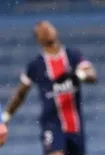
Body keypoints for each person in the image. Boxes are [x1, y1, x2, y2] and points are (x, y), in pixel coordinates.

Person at [2, 20, 97, 155]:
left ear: (56, 30)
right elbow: (20, 94)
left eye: (47, 27)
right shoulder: (36, 65)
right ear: (38, 39)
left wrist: (78, 74)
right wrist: (5, 117)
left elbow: (92, 75)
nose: (45, 31)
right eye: (41, 31)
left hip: (75, 126)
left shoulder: (72, 56)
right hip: (52, 124)